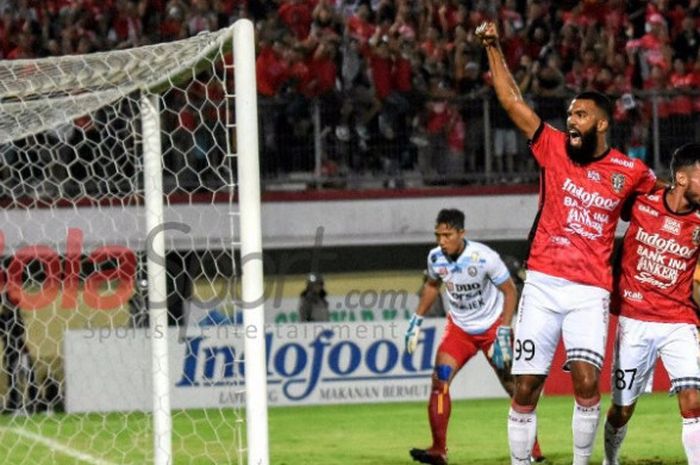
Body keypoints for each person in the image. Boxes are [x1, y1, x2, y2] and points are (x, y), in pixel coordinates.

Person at [475, 21, 658, 465]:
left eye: (579, 115)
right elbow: (511, 101)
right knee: (525, 386)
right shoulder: (553, 147)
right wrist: (494, 48)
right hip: (540, 284)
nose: (570, 121)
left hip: (590, 290)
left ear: (602, 122)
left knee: (586, 384)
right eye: (570, 115)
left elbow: (664, 206)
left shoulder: (630, 172)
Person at [405, 208, 544, 465]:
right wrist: (416, 320)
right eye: (438, 235)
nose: (441, 241)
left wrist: (504, 330)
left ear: (461, 233)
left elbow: (510, 291)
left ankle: (532, 451)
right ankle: (438, 450)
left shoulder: (484, 257)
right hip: (459, 331)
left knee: (515, 387)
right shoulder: (436, 258)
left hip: (492, 329)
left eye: (447, 235)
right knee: (440, 383)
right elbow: (432, 285)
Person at [603, 143, 700, 465]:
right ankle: (610, 460)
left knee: (693, 400)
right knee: (622, 409)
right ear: (682, 179)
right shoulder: (642, 202)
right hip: (634, 321)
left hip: (679, 320)